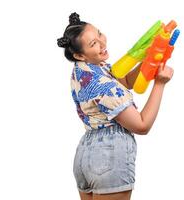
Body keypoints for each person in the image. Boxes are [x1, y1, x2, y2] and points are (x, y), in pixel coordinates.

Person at [57, 12, 174, 200]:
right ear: (79, 54)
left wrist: (151, 57)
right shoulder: (102, 84)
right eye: (93, 44)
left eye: (99, 34)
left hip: (86, 155)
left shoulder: (87, 69)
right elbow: (142, 125)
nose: (102, 43)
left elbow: (125, 80)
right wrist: (160, 84)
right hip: (108, 156)